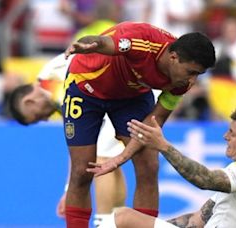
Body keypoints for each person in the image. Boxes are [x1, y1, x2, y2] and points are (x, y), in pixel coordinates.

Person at [64, 21, 215, 227]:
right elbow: (103, 43)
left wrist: (120, 158)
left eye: (198, 74)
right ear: (173, 58)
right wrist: (84, 43)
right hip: (85, 86)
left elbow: (154, 123)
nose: (193, 81)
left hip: (131, 97)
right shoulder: (141, 41)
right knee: (82, 171)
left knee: (149, 166)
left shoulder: (182, 82)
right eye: (191, 72)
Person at [8, 54, 127, 227]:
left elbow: (82, 147)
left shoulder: (52, 87)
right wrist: (68, 190)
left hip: (121, 83)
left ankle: (104, 222)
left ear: (29, 102)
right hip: (119, 89)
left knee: (101, 158)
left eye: (36, 117)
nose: (45, 119)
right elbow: (79, 147)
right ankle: (116, 219)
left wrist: (71, 192)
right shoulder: (51, 84)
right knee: (109, 160)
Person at [105, 106, 236, 228]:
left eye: (232, 133)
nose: (225, 136)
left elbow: (206, 179)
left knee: (123, 218)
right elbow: (196, 220)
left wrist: (163, 146)